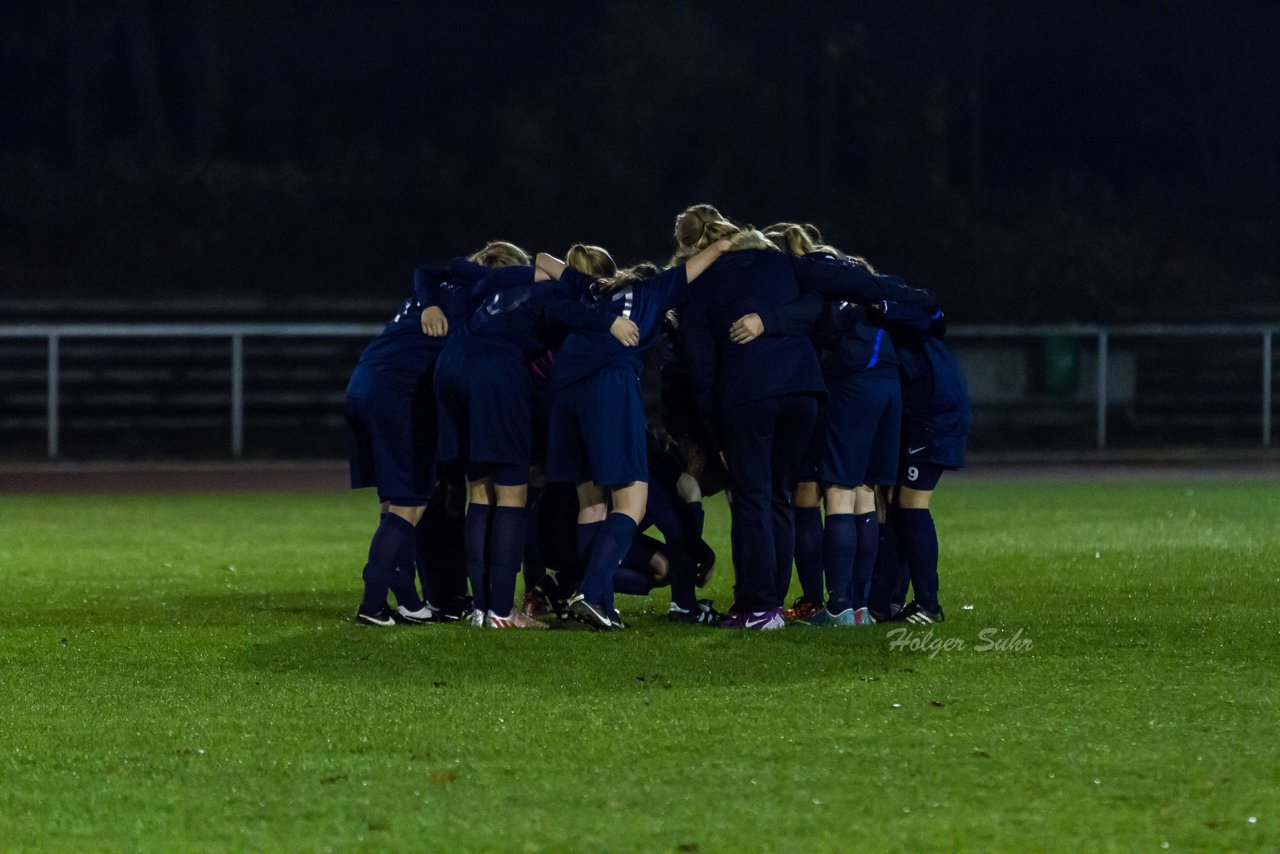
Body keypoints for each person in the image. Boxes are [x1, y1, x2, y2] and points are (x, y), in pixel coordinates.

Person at [433, 241, 636, 628]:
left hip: (453, 364)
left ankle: (480, 609)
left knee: (479, 491)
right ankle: (501, 611)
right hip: (494, 372)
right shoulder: (562, 291)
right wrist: (609, 321)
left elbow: (458, 266)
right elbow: (571, 311)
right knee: (512, 494)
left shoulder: (505, 287)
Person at [534, 237, 730, 630]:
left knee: (591, 503)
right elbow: (699, 264)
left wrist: (597, 318)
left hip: (564, 390)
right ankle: (589, 594)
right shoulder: (652, 289)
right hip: (608, 386)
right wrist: (726, 244)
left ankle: (598, 603)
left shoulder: (590, 290)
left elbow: (541, 261)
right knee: (631, 502)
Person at [342, 251, 487, 626]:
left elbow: (425, 269)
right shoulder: (478, 297)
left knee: (393, 503)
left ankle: (407, 599)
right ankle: (372, 603)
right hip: (396, 394)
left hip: (363, 384)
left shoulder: (436, 289)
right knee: (410, 502)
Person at [868, 302, 971, 624]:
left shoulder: (887, 315)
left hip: (932, 415)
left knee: (912, 504)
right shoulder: (911, 310)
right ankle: (890, 601)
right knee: (897, 503)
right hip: (930, 412)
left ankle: (928, 604)